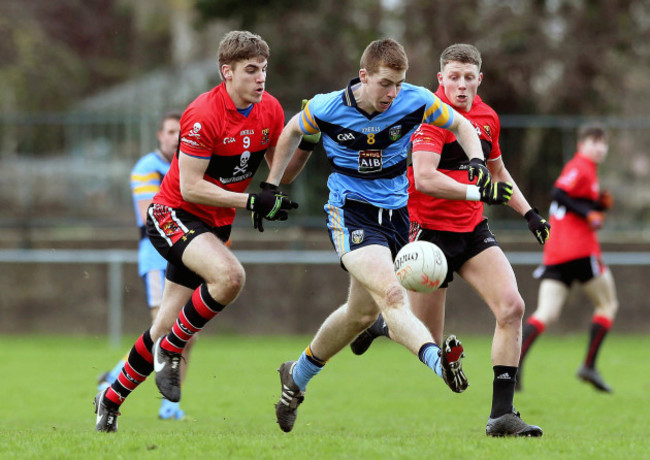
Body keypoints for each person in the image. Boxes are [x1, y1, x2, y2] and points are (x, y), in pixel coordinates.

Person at [264, 38, 494, 434]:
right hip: (350, 211)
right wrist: (272, 183)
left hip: (397, 216)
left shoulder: (415, 99)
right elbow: (290, 132)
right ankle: (441, 363)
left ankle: (295, 377)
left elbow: (459, 124)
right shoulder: (327, 107)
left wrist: (476, 159)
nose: (393, 93)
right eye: (386, 83)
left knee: (360, 314)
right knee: (391, 296)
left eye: (399, 83)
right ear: (364, 75)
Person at [93, 30, 308, 432]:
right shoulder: (203, 113)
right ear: (226, 72)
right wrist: (251, 202)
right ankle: (171, 350)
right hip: (173, 214)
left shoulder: (270, 110)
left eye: (263, 69)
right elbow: (190, 186)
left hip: (212, 225)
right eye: (250, 70)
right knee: (230, 277)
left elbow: (282, 173)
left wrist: (306, 143)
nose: (260, 78)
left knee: (161, 325)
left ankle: (110, 398)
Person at [349, 44, 551, 437]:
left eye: (468, 77)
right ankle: (378, 325)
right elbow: (424, 177)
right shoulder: (430, 114)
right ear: (440, 79)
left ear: (480, 78)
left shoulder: (487, 117)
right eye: (453, 77)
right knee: (429, 337)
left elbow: (499, 171)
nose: (461, 85)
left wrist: (529, 213)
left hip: (473, 232)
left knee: (512, 307)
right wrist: (478, 194)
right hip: (428, 234)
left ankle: (502, 416)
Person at [96, 111, 192, 421]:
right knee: (165, 330)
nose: (176, 137)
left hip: (188, 253)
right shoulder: (146, 169)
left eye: (181, 132)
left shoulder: (188, 165)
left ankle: (167, 402)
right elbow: (154, 214)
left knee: (187, 332)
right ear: (159, 136)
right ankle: (125, 383)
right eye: (170, 131)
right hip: (156, 254)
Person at [517, 122, 618, 393]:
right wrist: (590, 213)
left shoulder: (587, 170)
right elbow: (559, 193)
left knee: (546, 314)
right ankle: (588, 365)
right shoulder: (580, 165)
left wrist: (596, 205)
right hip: (581, 251)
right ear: (580, 145)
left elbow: (571, 202)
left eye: (602, 142)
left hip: (555, 253)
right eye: (593, 141)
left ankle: (513, 370)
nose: (599, 147)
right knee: (608, 305)